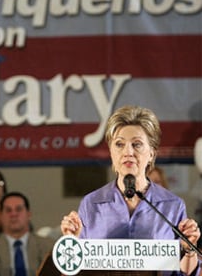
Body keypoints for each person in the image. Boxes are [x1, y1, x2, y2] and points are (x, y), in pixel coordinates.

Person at [60, 105, 201, 275]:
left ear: (151, 154)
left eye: (137, 144)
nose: (128, 152)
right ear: (111, 152)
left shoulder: (172, 205)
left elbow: (186, 273)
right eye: (119, 144)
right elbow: (77, 268)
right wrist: (72, 241)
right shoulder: (91, 203)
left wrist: (189, 249)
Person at [0, 191, 54, 276]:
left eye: (18, 209)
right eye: (8, 210)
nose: (13, 214)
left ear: (28, 214)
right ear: (0, 216)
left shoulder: (49, 245)